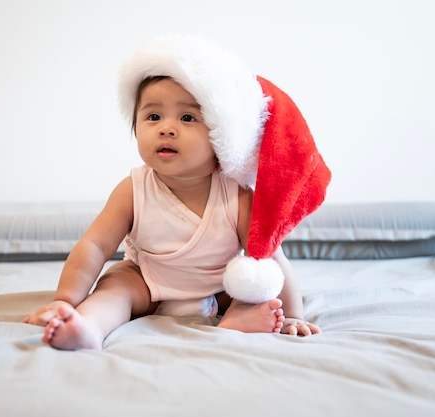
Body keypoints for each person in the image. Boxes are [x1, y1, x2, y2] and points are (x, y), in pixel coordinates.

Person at [23, 35, 330, 350]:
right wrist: (66, 298)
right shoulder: (133, 189)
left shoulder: (236, 196)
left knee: (253, 290)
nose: (166, 128)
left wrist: (292, 315)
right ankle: (87, 326)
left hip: (217, 288)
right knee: (115, 287)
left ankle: (238, 320)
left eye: (187, 118)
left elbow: (270, 257)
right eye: (153, 116)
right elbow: (95, 246)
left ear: (222, 134)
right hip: (147, 282)